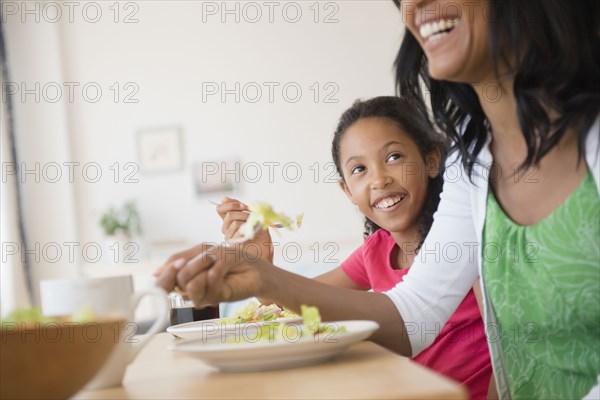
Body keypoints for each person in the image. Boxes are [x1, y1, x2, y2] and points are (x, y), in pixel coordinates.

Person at [156, 1, 599, 398]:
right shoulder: (475, 159)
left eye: (392, 157)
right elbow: (413, 315)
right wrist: (261, 275)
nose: (414, 4)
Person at [215, 96, 491, 399]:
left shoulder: (462, 240)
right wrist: (261, 263)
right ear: (347, 190)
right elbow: (299, 302)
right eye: (359, 169)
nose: (379, 179)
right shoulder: (375, 251)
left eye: (394, 157)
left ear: (431, 160)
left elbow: (506, 349)